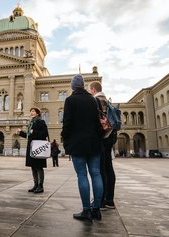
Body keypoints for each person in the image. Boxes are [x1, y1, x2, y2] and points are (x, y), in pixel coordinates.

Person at [61, 74, 103, 222]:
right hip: (94, 143)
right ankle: (96, 210)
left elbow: (67, 123)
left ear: (73, 86)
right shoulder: (93, 100)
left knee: (82, 175)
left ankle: (86, 210)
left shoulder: (70, 100)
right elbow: (99, 123)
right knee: (96, 174)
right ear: (83, 85)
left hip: (77, 143)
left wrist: (65, 140)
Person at [89, 81, 117, 209]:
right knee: (108, 168)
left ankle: (101, 200)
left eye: (90, 90)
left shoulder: (97, 100)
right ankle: (109, 199)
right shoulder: (107, 100)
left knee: (101, 169)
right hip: (111, 136)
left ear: (93, 90)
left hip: (103, 137)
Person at [18, 107, 49, 194]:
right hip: (32, 147)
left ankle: (40, 186)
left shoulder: (40, 122)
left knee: (39, 167)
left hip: (38, 148)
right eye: (31, 111)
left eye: (33, 111)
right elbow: (29, 136)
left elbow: (44, 134)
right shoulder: (31, 123)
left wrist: (33, 131)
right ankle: (35, 185)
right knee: (33, 167)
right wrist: (20, 132)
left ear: (37, 113)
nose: (31, 113)